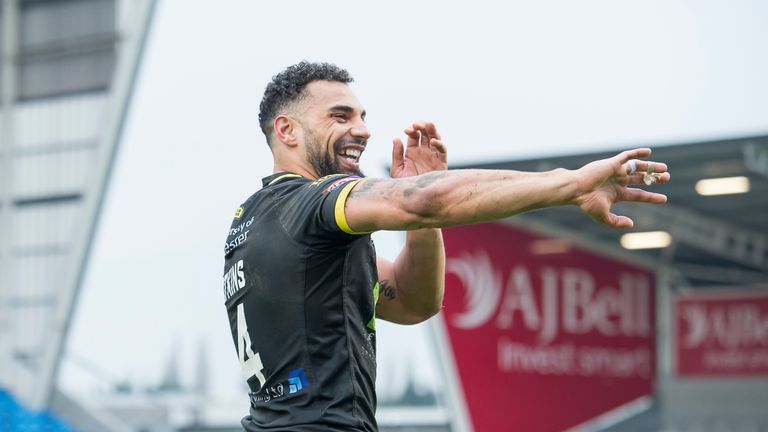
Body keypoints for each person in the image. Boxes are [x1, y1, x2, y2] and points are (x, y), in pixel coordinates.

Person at [222, 61, 670, 432]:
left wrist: (422, 213)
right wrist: (572, 184)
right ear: (287, 130)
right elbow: (424, 201)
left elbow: (414, 301)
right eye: (341, 117)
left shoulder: (259, 221)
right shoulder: (310, 202)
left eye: (362, 116)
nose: (362, 130)